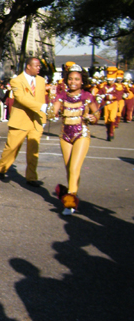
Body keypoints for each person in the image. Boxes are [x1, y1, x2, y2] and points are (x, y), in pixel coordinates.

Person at [48, 63, 99, 216]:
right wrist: (51, 98)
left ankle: (70, 203)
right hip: (65, 135)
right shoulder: (61, 95)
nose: (73, 82)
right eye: (70, 79)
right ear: (66, 80)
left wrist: (92, 117)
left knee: (74, 168)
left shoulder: (87, 96)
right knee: (69, 169)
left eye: (76, 79)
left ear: (82, 81)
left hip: (81, 134)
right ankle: (72, 194)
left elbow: (97, 115)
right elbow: (52, 115)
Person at [0, 57, 47, 185]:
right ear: (28, 66)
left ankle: (32, 177)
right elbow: (22, 99)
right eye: (36, 66)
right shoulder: (16, 81)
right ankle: (2, 168)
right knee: (12, 148)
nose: (39, 68)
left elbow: (42, 98)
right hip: (20, 120)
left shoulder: (41, 80)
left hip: (36, 121)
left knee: (33, 151)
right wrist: (41, 107)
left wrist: (44, 116)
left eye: (39, 66)